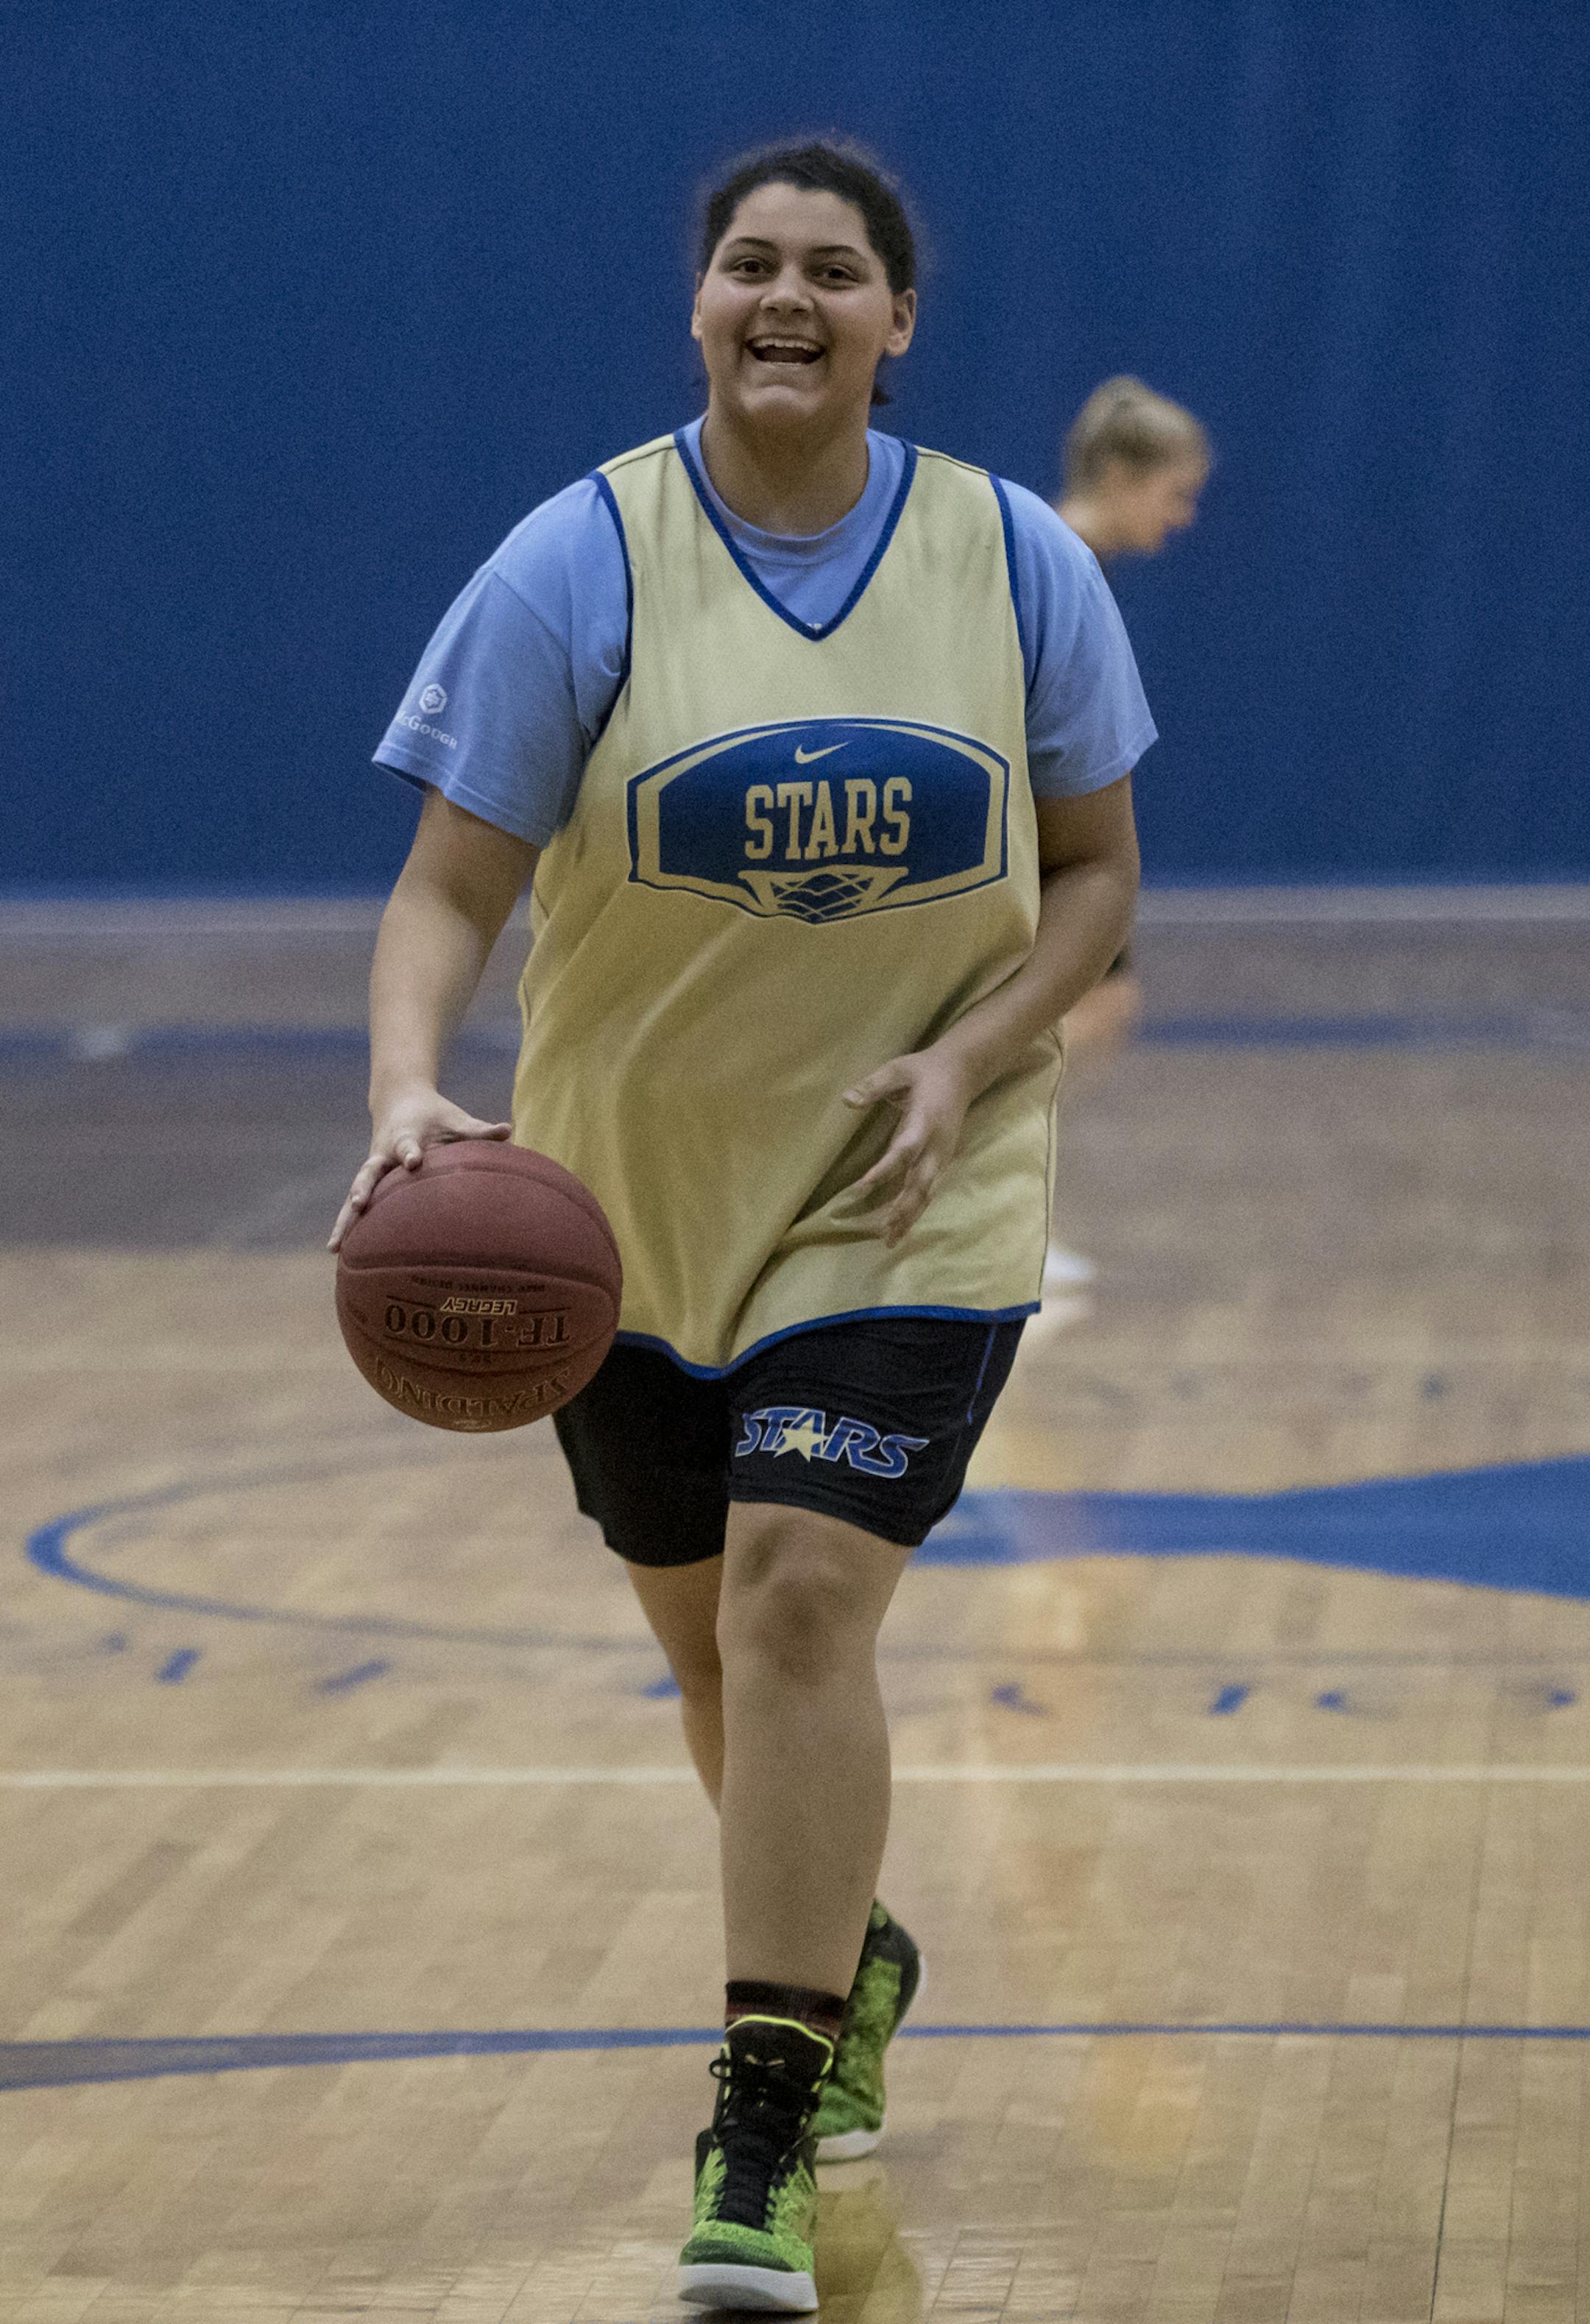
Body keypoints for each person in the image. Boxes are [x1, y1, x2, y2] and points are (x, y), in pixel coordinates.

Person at [332, 140, 1151, 2314]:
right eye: (748, 263)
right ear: (697, 306)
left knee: (801, 1597)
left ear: (901, 323)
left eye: (833, 269)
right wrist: (411, 1083)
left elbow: (1095, 876)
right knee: (715, 1654)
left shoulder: (1016, 559)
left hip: (909, 1176)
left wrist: (974, 1059)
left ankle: (760, 2113)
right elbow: (445, 890)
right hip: (622, 1207)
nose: (786, 293)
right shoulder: (571, 563)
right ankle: (846, 1941)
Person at [1042, 378, 1209, 1297]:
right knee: (1087, 1011)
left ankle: (1000, 1194)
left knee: (1101, 1007)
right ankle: (980, 1183)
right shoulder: (1060, 557)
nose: (1181, 516)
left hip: (1052, 835)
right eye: (1173, 492)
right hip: (1039, 841)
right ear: (1118, 473)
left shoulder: (1075, 559)